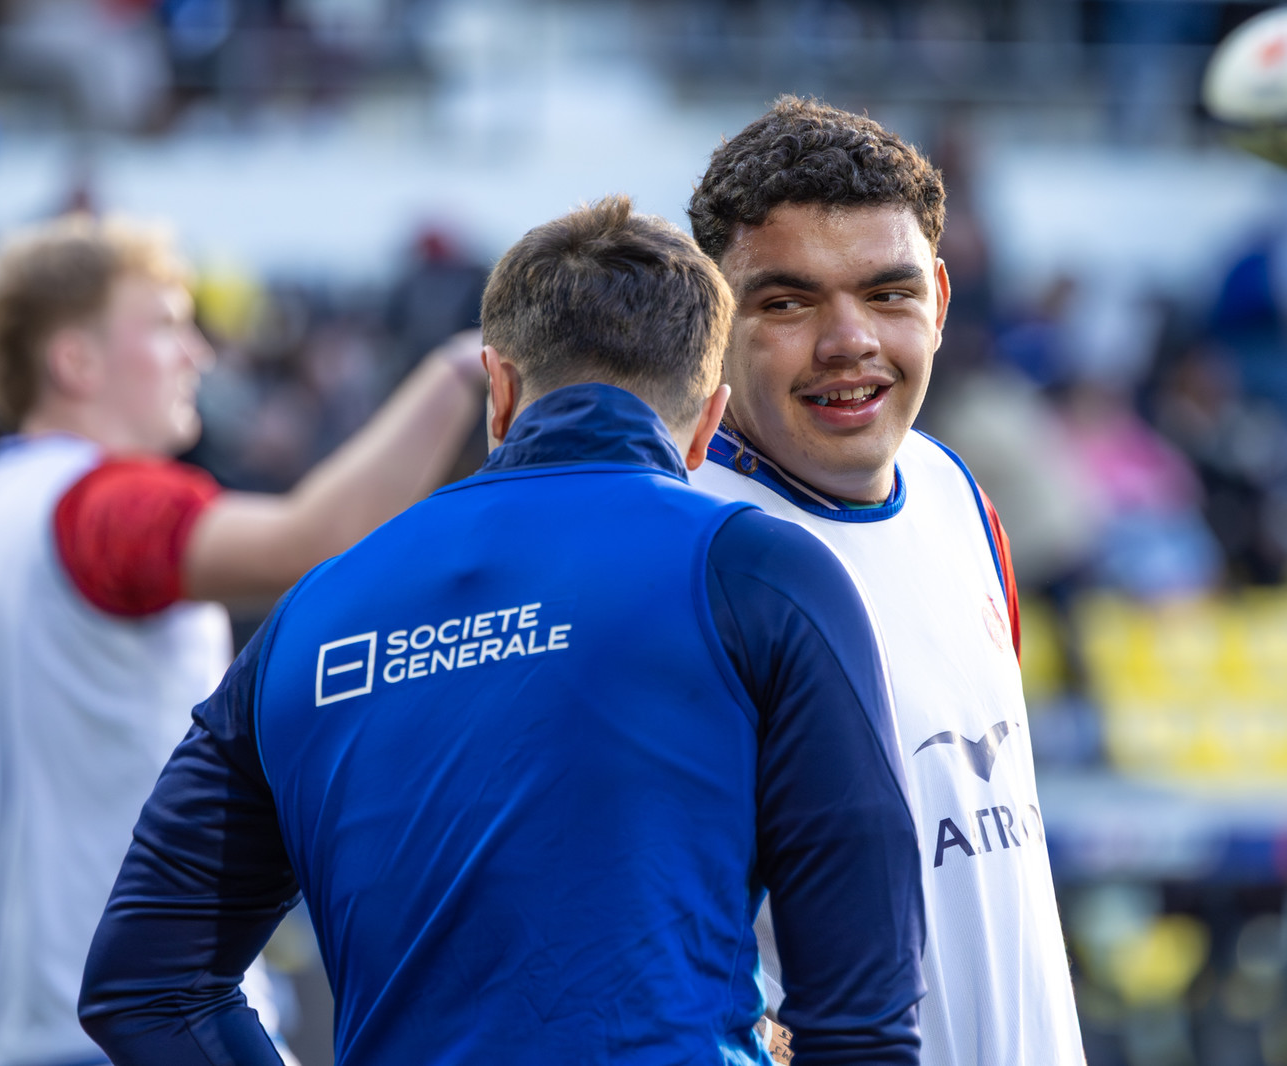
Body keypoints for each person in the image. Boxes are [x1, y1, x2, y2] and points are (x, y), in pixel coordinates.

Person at [78, 197, 925, 1065]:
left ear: (501, 390)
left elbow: (144, 987)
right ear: (710, 422)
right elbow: (862, 1023)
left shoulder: (310, 614)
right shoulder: (761, 574)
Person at [0, 213, 490, 1066]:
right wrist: (464, 367)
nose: (197, 353)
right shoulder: (100, 502)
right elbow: (314, 543)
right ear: (74, 360)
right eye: (166, 324)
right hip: (123, 1030)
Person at [686, 97, 1086, 1066]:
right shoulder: (685, 557)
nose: (848, 340)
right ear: (709, 321)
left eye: (888, 293)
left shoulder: (954, 493)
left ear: (940, 303)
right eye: (787, 302)